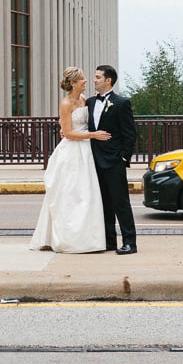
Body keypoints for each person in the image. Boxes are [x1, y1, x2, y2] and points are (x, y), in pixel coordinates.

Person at [30, 67, 111, 253]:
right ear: (73, 83)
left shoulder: (84, 100)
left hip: (86, 150)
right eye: (82, 79)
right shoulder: (66, 103)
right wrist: (93, 135)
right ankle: (69, 238)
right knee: (70, 195)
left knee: (87, 194)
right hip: (73, 151)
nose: (85, 81)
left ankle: (88, 238)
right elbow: (67, 132)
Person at [87, 64, 138, 255]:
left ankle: (130, 242)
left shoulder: (122, 103)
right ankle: (109, 241)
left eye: (98, 77)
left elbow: (130, 134)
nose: (94, 80)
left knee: (120, 203)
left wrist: (123, 158)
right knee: (103, 204)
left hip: (114, 161)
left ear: (108, 80)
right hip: (94, 161)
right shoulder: (90, 102)